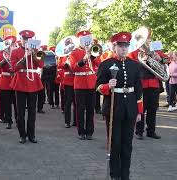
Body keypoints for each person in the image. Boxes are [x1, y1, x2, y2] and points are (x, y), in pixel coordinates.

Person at [96, 32, 143, 180]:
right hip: (113, 107)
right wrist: (106, 86)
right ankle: (115, 174)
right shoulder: (106, 64)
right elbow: (97, 87)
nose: (123, 49)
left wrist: (139, 112)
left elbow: (139, 90)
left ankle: (125, 175)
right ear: (114, 46)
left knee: (127, 145)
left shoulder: (134, 65)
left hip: (130, 107)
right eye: (121, 46)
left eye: (126, 46)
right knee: (115, 144)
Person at [128, 29, 166, 140]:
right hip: (141, 83)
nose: (147, 40)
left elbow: (167, 59)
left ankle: (151, 131)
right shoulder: (134, 50)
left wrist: (160, 59)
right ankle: (139, 131)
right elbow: (129, 62)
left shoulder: (155, 50)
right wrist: (142, 60)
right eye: (146, 38)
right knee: (141, 109)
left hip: (153, 83)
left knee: (152, 109)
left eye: (149, 38)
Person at [10, 30, 44, 144]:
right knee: (20, 112)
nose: (26, 41)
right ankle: (22, 135)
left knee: (32, 111)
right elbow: (14, 68)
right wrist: (25, 56)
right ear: (21, 40)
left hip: (33, 82)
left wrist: (33, 54)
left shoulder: (38, 51)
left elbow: (41, 64)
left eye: (29, 39)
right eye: (24, 39)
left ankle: (31, 135)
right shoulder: (15, 51)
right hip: (20, 82)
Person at [69, 30, 101, 140]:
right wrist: (83, 60)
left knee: (91, 109)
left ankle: (90, 132)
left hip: (91, 83)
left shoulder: (93, 51)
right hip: (79, 84)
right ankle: (81, 132)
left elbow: (99, 64)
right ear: (80, 41)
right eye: (83, 40)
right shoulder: (74, 52)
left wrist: (91, 55)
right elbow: (74, 68)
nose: (86, 42)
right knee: (80, 109)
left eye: (87, 39)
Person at [0, 35, 16, 129]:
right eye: (8, 44)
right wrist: (4, 60)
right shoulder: (1, 53)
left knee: (17, 103)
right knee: (6, 103)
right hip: (5, 81)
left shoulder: (16, 52)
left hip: (16, 80)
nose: (10, 46)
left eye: (12, 44)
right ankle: (9, 121)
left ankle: (19, 119)